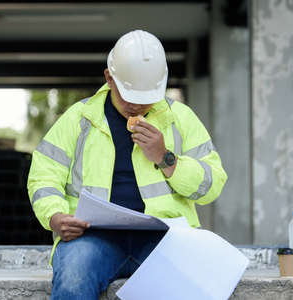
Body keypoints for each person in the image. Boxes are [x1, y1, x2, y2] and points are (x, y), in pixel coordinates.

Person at [27, 30, 227, 299]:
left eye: (146, 100)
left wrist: (166, 158)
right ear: (109, 78)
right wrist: (55, 217)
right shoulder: (79, 119)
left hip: (165, 239)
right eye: (129, 97)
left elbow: (211, 187)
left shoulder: (180, 119)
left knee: (193, 284)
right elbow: (43, 177)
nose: (137, 107)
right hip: (92, 237)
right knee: (74, 277)